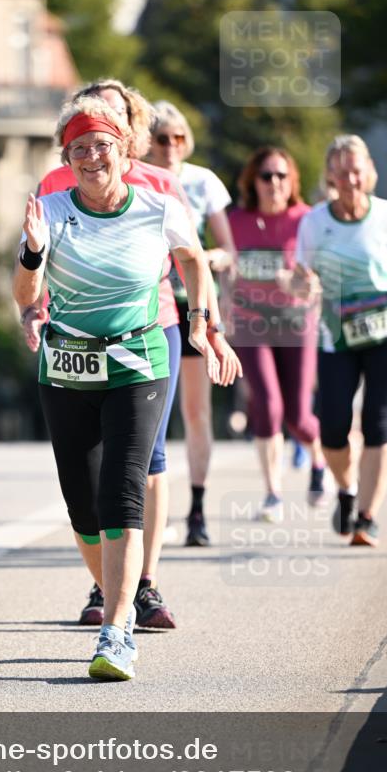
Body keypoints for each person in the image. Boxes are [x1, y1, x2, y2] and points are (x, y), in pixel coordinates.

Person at [13, 95, 228, 680]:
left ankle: (117, 632)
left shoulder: (158, 207)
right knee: (83, 508)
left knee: (122, 493)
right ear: (68, 156)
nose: (90, 157)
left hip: (138, 361)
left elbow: (194, 264)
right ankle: (112, 588)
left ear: (125, 150)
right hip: (67, 368)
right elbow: (26, 295)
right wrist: (32, 253)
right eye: (78, 148)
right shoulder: (50, 211)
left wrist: (205, 329)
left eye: (101, 145)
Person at [293, 135, 387, 546]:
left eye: (357, 170)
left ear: (371, 173)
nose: (350, 179)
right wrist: (302, 283)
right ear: (330, 175)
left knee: (380, 422)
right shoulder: (314, 222)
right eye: (342, 171)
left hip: (386, 331)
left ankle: (366, 516)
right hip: (337, 336)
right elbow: (300, 275)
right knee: (333, 430)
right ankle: (346, 488)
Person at [147, 101, 236, 545]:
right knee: (152, 416)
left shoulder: (202, 182)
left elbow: (227, 250)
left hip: (195, 304)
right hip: (152, 307)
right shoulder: (139, 180)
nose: (170, 147)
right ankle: (149, 511)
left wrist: (205, 260)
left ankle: (197, 509)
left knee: (196, 412)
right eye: (161, 138)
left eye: (178, 138)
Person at [228, 146, 326, 522]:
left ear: (293, 181)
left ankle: (319, 459)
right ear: (253, 181)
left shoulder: (306, 219)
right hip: (251, 323)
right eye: (267, 176)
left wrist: (301, 285)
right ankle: (273, 493)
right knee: (267, 406)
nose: (274, 183)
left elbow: (317, 284)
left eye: (282, 176)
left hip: (296, 322)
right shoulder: (236, 221)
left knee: (299, 417)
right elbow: (225, 269)